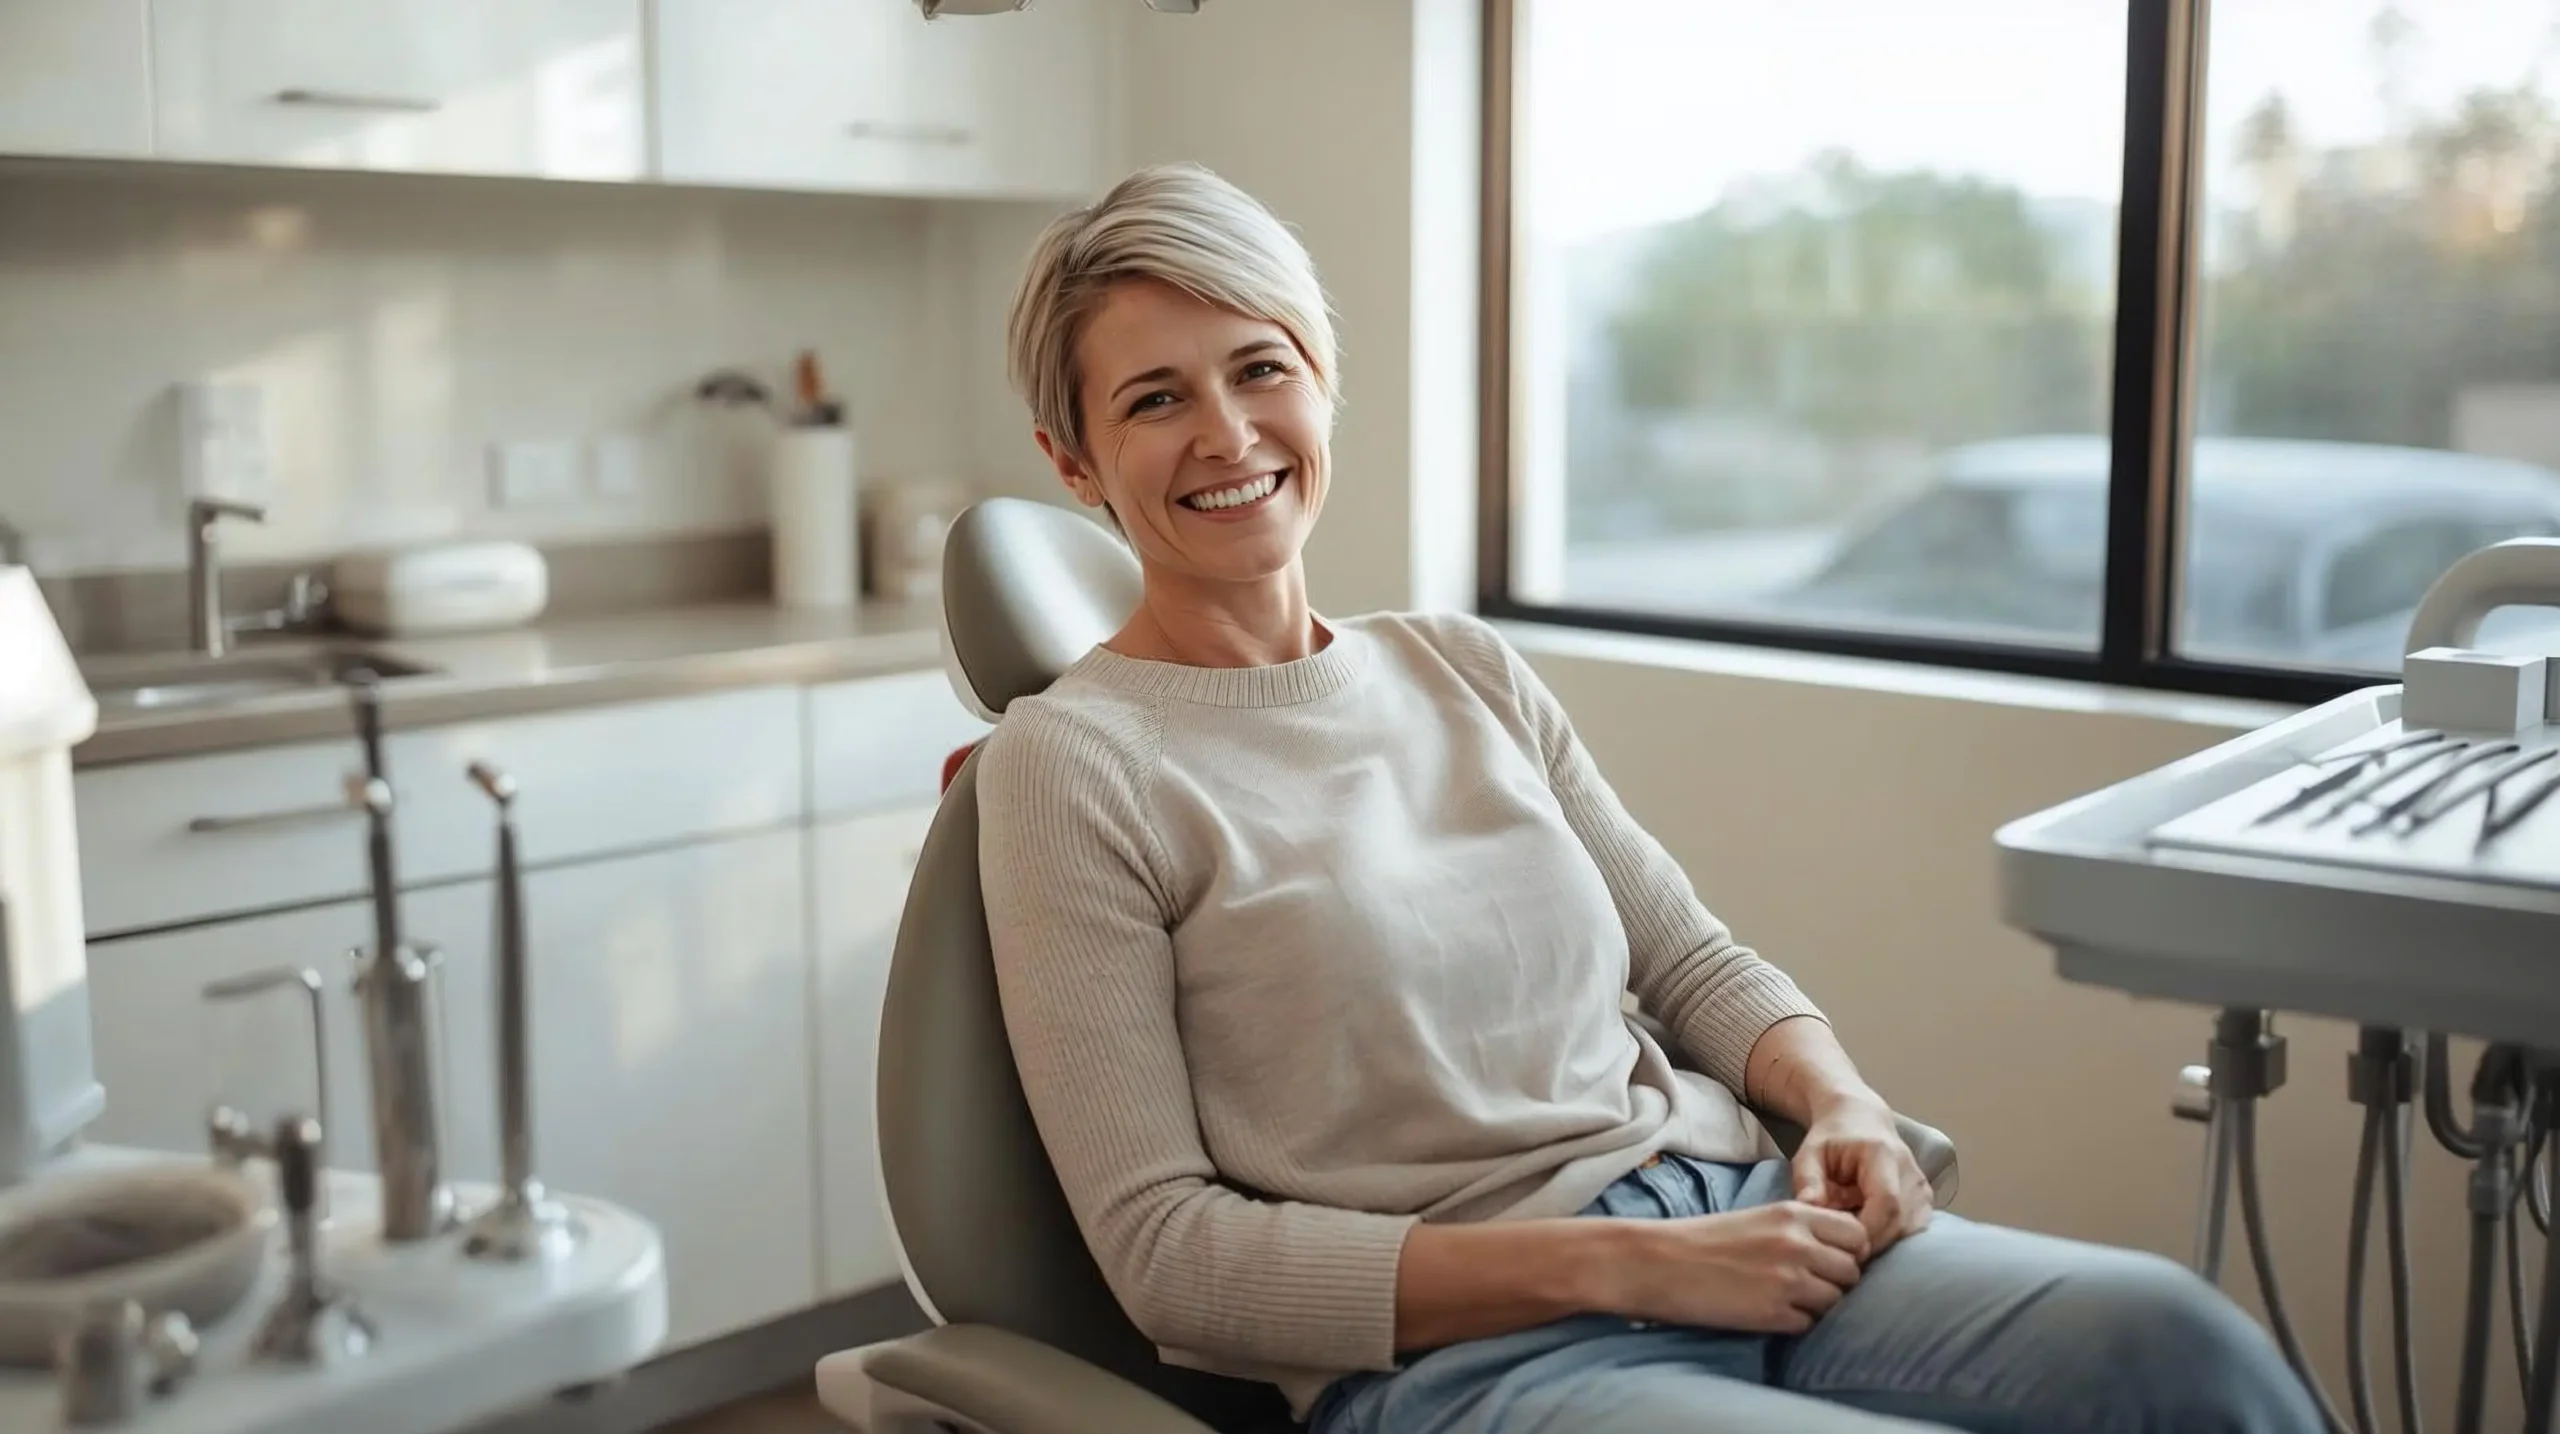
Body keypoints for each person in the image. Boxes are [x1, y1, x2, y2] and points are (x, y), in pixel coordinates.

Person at [973, 161, 2327, 1434]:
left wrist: (1843, 1101)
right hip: (1482, 1356)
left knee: (2180, 1344)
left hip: (1737, 1215)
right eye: (1154, 399)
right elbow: (1167, 1252)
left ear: (1323, 383)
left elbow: (1688, 958)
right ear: (1075, 461)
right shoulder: (1073, 763)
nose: (1227, 431)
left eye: (1260, 367)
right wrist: (1631, 1264)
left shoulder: (1461, 667)